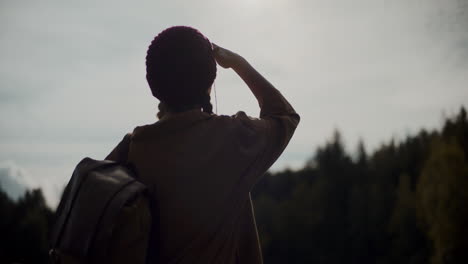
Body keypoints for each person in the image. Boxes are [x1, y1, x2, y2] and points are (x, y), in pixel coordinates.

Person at [106, 26, 300, 264]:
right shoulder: (233, 139)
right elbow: (284, 116)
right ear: (209, 81)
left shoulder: (130, 150)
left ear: (153, 85)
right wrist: (239, 63)